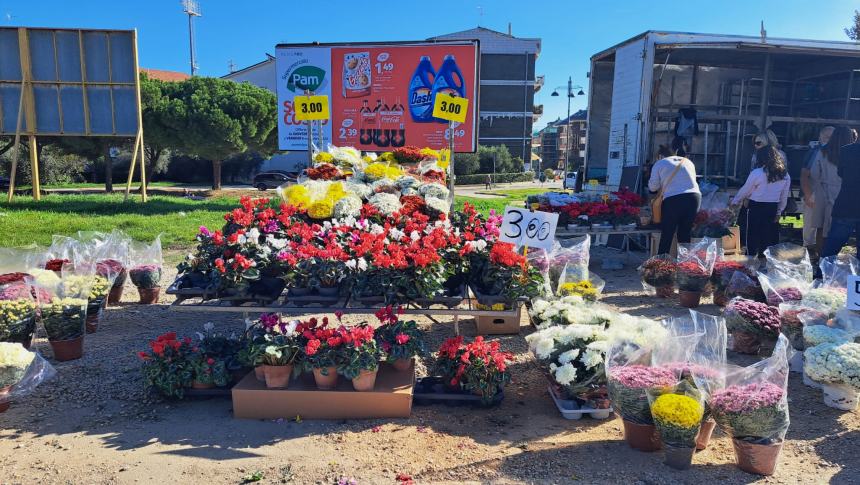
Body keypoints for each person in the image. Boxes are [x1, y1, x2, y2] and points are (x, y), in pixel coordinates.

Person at [731, 145, 791, 257]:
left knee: (752, 234)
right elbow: (784, 196)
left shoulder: (757, 173)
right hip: (772, 207)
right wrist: (779, 212)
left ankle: (750, 259)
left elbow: (746, 190)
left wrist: (735, 201)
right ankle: (763, 260)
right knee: (767, 235)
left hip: (755, 206)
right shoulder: (785, 175)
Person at [648, 136, 701, 255]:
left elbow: (653, 187)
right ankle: (686, 266)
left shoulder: (660, 163)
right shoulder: (688, 162)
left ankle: (661, 266)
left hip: (674, 199)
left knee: (667, 232)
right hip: (695, 198)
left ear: (660, 156)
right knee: (685, 233)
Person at [807, 127, 851, 253]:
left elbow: (814, 172)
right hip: (842, 192)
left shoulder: (823, 151)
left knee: (821, 226)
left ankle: (820, 255)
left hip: (822, 190)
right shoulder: (850, 153)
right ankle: (831, 258)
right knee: (835, 226)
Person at [822, 135, 860, 257]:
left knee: (832, 247)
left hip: (847, 204)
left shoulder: (846, 150)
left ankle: (822, 274)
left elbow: (841, 173)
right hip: (848, 204)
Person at [800, 126, 835, 250]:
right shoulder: (814, 152)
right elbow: (804, 174)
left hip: (829, 196)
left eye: (832, 137)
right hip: (814, 194)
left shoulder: (836, 152)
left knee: (826, 227)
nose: (829, 140)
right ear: (820, 137)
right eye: (827, 137)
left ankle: (819, 254)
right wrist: (809, 196)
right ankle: (808, 252)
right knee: (810, 227)